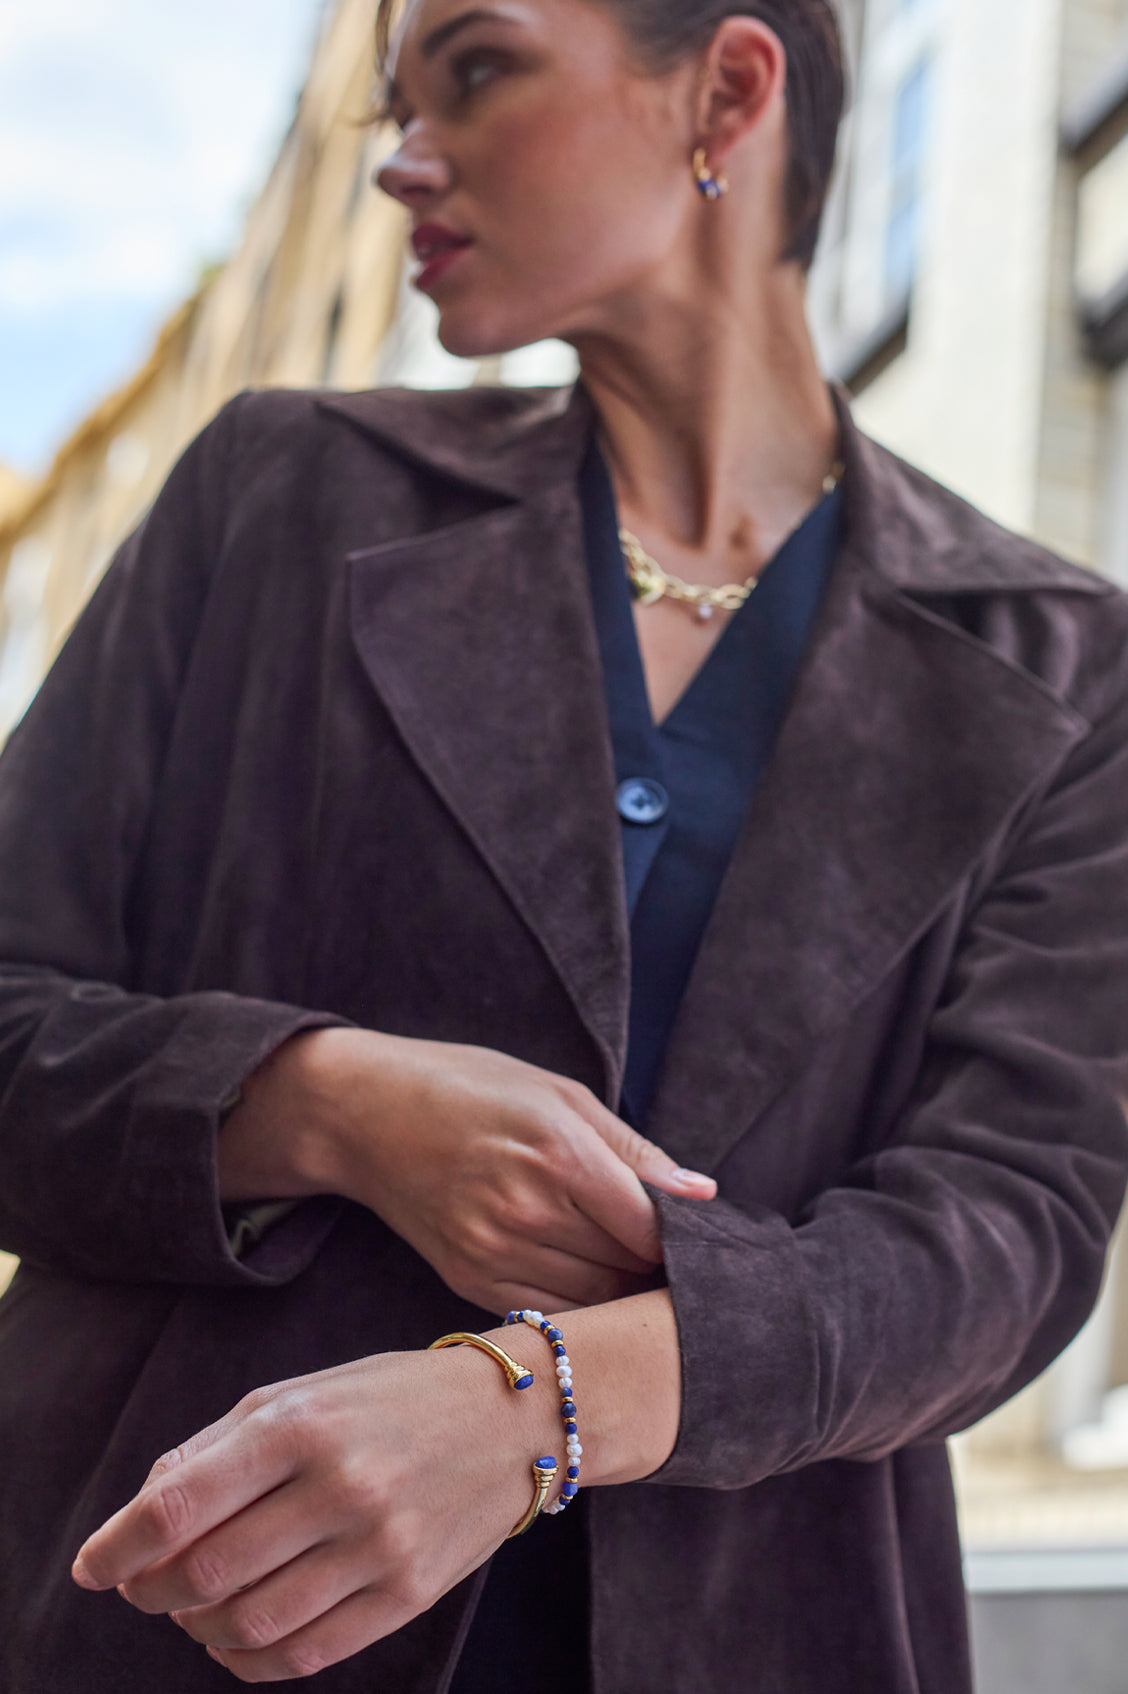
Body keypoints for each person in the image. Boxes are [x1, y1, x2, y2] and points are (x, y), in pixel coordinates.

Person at [1, 0, 1127, 1687]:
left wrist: (526, 1409)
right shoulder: (280, 495)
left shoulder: (1063, 663)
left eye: (477, 68)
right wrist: (328, 1103)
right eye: (393, 100)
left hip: (764, 1625)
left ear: (728, 90)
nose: (403, 159)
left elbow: (1007, 1233)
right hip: (180, 1614)